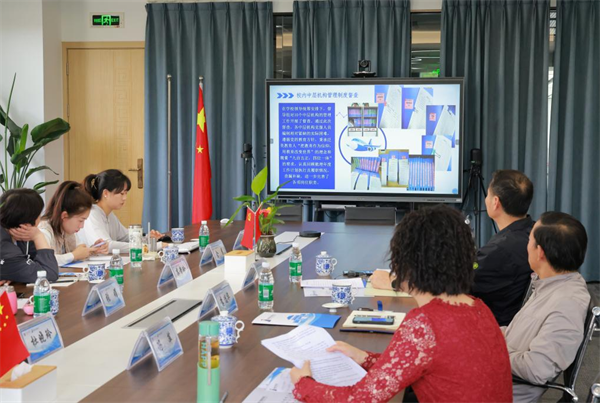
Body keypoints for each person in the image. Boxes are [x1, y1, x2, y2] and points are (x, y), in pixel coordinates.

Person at [290, 205, 513, 403]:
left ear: (409, 263)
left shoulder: (425, 324)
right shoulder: (479, 308)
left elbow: (359, 398)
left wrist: (303, 384)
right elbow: (423, 362)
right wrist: (364, 358)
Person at [370, 169, 534, 326]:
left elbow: (448, 285)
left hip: (479, 322)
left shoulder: (500, 250)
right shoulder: (531, 233)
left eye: (488, 194)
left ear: (495, 202)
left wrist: (395, 282)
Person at [504, 212, 590, 403]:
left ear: (540, 252)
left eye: (529, 240)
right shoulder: (551, 284)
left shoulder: (567, 304)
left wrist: (490, 352)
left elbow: (537, 369)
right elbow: (518, 335)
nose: (526, 246)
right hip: (496, 372)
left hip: (501, 391)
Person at [79, 169, 162, 252]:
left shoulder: (110, 215)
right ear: (106, 193)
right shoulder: (92, 214)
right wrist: (153, 247)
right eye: (121, 193)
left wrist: (147, 238)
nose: (124, 198)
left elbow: (126, 237)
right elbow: (107, 246)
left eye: (126, 193)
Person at [39, 181, 109, 266]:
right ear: (64, 215)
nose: (82, 226)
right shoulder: (44, 231)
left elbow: (79, 249)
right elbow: (46, 260)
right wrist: (74, 255)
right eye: (80, 220)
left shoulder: (67, 230)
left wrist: (92, 250)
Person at [0, 189, 59, 283]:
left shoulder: (20, 236)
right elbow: (49, 273)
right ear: (27, 223)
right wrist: (38, 236)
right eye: (39, 215)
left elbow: (35, 264)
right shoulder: (5, 248)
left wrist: (13, 274)